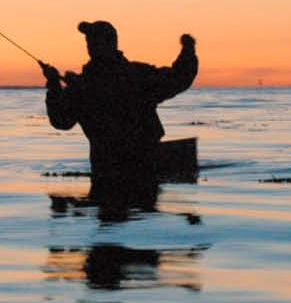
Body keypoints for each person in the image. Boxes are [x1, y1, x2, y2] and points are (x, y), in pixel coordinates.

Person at [40, 21, 198, 189]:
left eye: (93, 40)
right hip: (146, 171)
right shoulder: (136, 75)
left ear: (107, 43)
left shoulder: (83, 87)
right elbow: (179, 78)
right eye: (89, 41)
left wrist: (54, 86)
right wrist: (188, 50)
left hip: (106, 173)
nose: (90, 45)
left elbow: (61, 121)